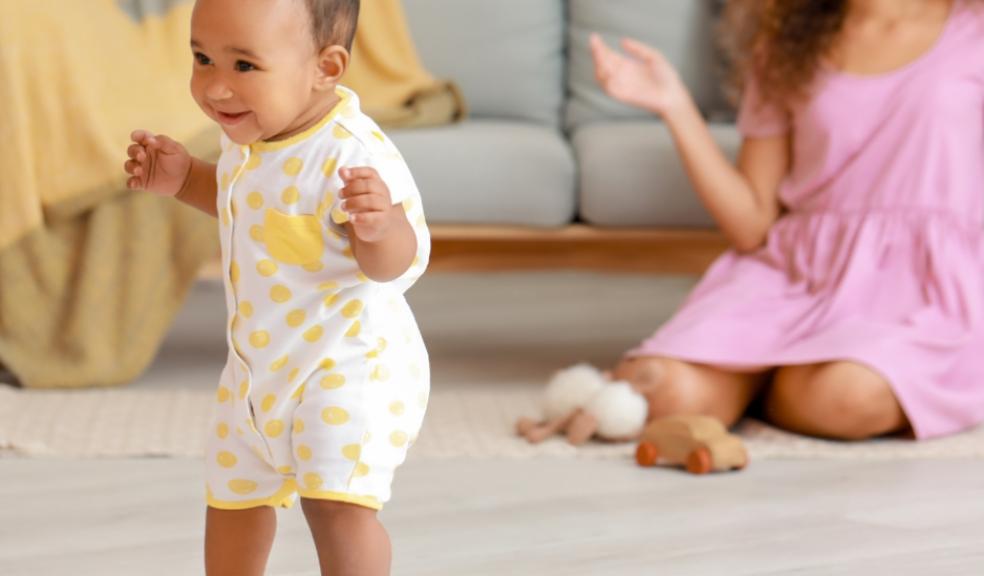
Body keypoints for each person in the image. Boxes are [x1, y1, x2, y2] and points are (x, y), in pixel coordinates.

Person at [123, 0, 430, 574]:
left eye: (243, 66)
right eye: (202, 58)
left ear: (327, 68)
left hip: (348, 369)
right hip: (257, 372)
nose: (216, 88)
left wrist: (381, 227)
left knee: (336, 507)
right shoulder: (250, 140)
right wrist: (185, 177)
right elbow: (247, 203)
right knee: (232, 501)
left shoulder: (350, 155)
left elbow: (399, 266)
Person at [590, 0, 984, 442]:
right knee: (662, 394)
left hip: (921, 288)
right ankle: (764, 375)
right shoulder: (786, 45)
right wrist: (675, 107)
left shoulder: (974, 28)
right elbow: (752, 225)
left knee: (848, 398)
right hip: (795, 275)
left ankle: (761, 383)